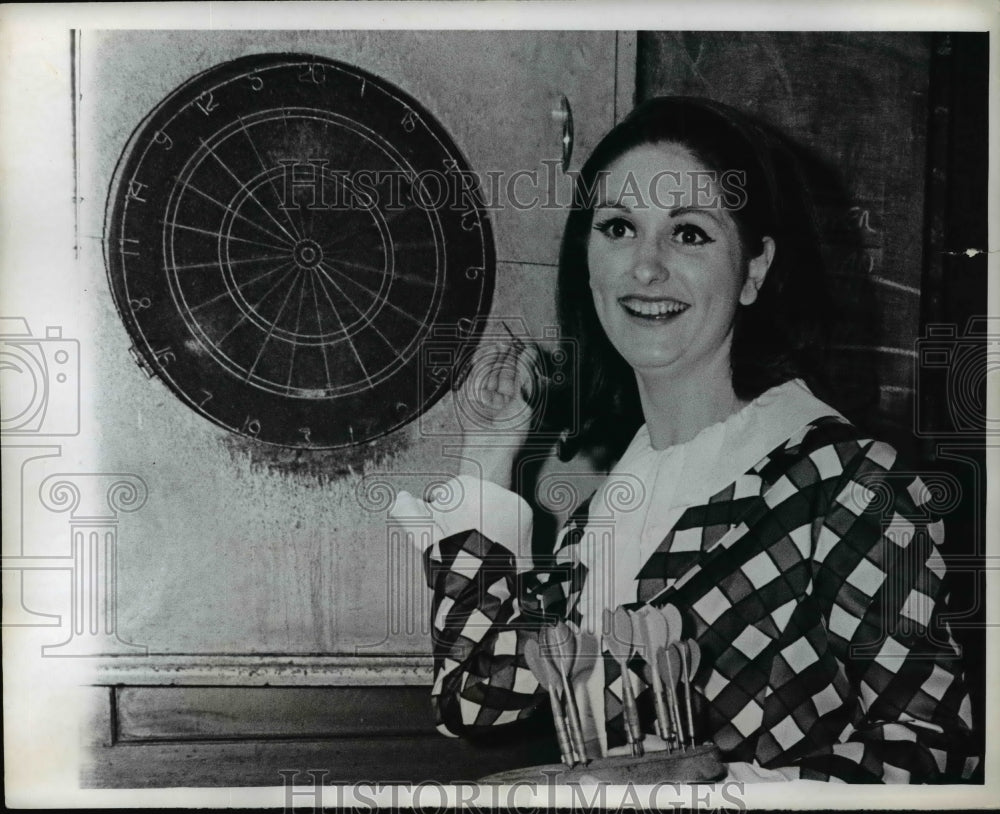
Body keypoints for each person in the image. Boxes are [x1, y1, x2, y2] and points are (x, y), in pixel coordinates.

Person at [390, 97, 978, 783]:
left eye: (689, 234)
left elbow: (938, 755)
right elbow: (477, 702)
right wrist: (486, 457)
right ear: (587, 262)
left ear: (755, 269)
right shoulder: (605, 507)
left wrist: (701, 789)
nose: (646, 268)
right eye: (618, 228)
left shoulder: (850, 484)